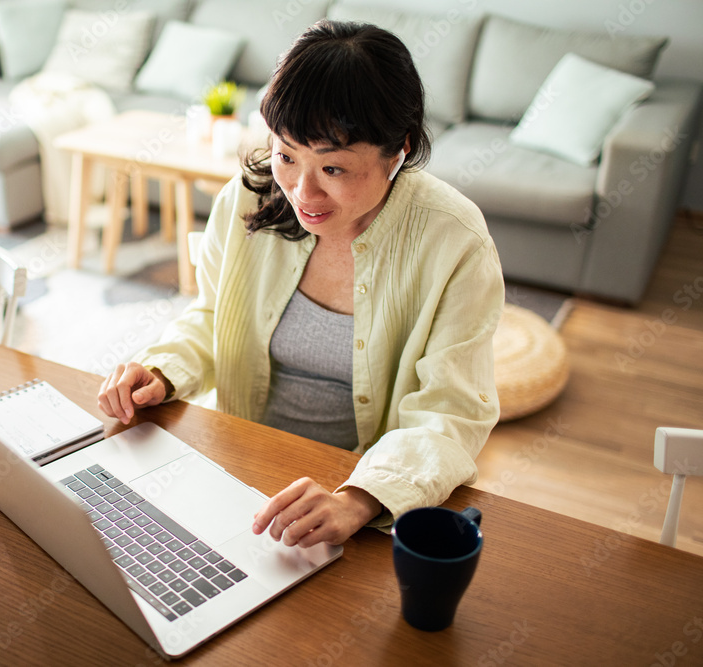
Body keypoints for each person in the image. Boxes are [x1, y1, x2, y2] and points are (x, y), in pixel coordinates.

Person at [97, 20, 503, 549]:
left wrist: (358, 498)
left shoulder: (455, 240)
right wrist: (161, 371)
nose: (301, 191)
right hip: (243, 467)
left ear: (398, 151)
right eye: (287, 155)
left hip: (361, 496)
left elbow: (452, 411)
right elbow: (214, 316)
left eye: (333, 168)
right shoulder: (249, 196)